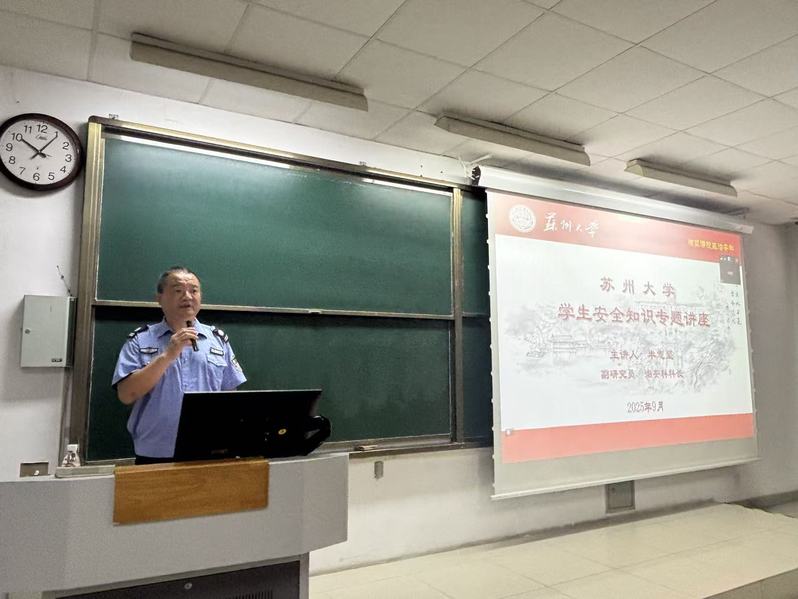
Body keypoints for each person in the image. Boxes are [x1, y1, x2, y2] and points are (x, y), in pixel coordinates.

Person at [112, 266, 247, 464]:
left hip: (210, 449)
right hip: (157, 452)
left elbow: (230, 397)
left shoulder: (218, 340)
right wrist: (168, 355)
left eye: (194, 290)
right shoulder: (140, 341)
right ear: (159, 298)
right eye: (178, 290)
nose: (187, 296)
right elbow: (126, 395)